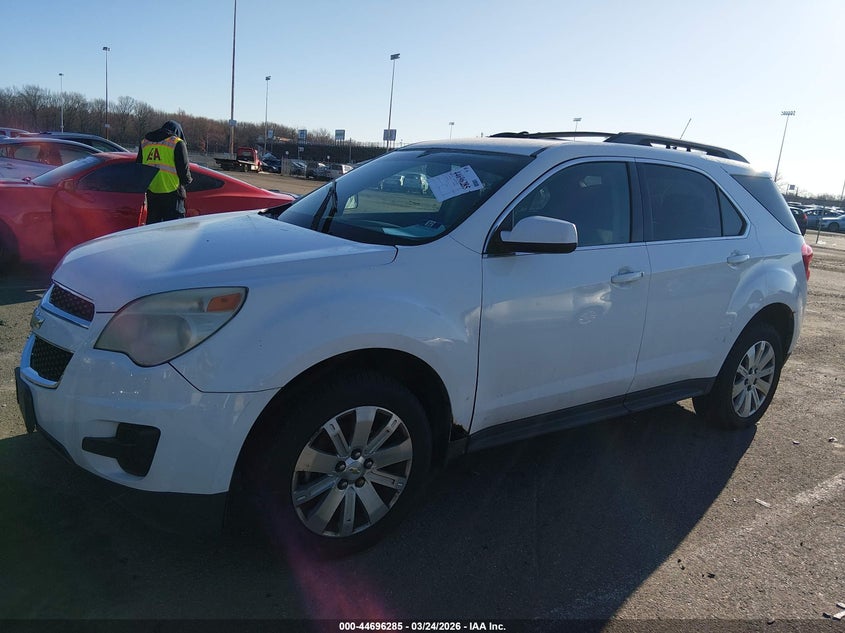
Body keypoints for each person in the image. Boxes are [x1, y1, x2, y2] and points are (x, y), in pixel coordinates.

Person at [136, 120, 192, 223]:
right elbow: (185, 175)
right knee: (174, 232)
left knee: (154, 231)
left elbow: (138, 169)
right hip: (173, 194)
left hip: (152, 194)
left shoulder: (145, 143)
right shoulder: (177, 143)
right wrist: (188, 181)